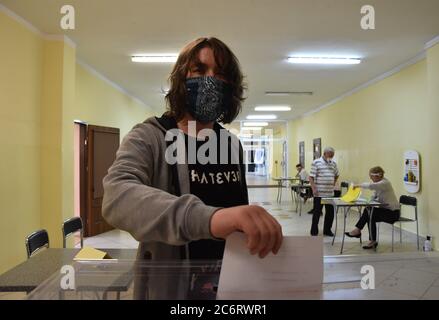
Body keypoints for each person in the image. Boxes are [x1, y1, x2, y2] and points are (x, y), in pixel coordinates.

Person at [102, 37, 283, 299]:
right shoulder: (149, 136)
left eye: (220, 74)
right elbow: (116, 197)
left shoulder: (231, 144)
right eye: (199, 70)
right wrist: (209, 219)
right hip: (171, 290)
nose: (210, 80)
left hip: (231, 284)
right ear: (182, 79)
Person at [345, 166, 400, 249]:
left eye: (371, 177)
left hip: (393, 213)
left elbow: (371, 186)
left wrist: (357, 186)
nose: (371, 179)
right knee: (370, 214)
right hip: (385, 211)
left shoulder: (385, 183)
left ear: (377, 176)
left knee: (370, 212)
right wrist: (368, 201)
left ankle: (358, 231)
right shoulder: (378, 185)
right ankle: (371, 240)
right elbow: (374, 196)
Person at [309, 147, 339, 236]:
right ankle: (314, 231)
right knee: (317, 213)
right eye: (330, 155)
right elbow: (311, 177)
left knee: (330, 213)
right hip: (319, 193)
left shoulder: (333, 163)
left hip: (329, 193)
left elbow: (337, 174)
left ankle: (327, 230)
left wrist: (333, 182)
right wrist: (314, 189)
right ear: (325, 153)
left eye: (332, 156)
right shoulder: (316, 162)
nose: (331, 157)